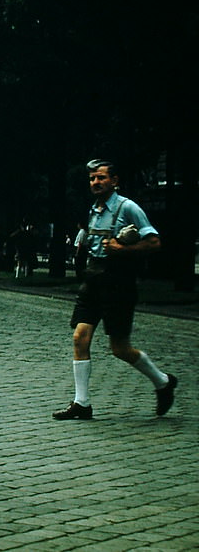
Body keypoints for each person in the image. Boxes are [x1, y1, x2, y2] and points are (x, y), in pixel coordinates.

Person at [53, 159, 176, 420]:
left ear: (114, 180)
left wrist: (124, 250)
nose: (95, 183)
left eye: (101, 178)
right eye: (92, 179)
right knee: (79, 337)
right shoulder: (95, 209)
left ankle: (163, 382)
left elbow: (154, 242)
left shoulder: (128, 207)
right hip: (93, 279)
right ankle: (82, 403)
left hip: (119, 282)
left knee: (119, 348)